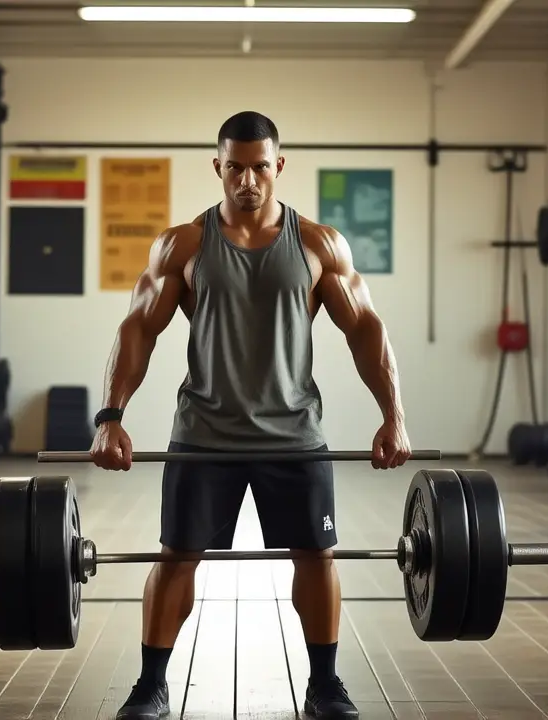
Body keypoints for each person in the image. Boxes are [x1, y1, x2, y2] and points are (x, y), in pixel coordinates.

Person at [90, 110, 412, 720]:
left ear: (279, 167)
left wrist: (393, 415)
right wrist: (111, 415)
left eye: (260, 167)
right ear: (218, 168)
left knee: (316, 557)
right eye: (234, 167)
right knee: (176, 557)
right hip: (204, 434)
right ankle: (151, 686)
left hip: (294, 436)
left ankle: (324, 685)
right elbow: (138, 327)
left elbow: (366, 328)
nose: (248, 180)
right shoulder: (183, 244)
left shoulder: (318, 244)